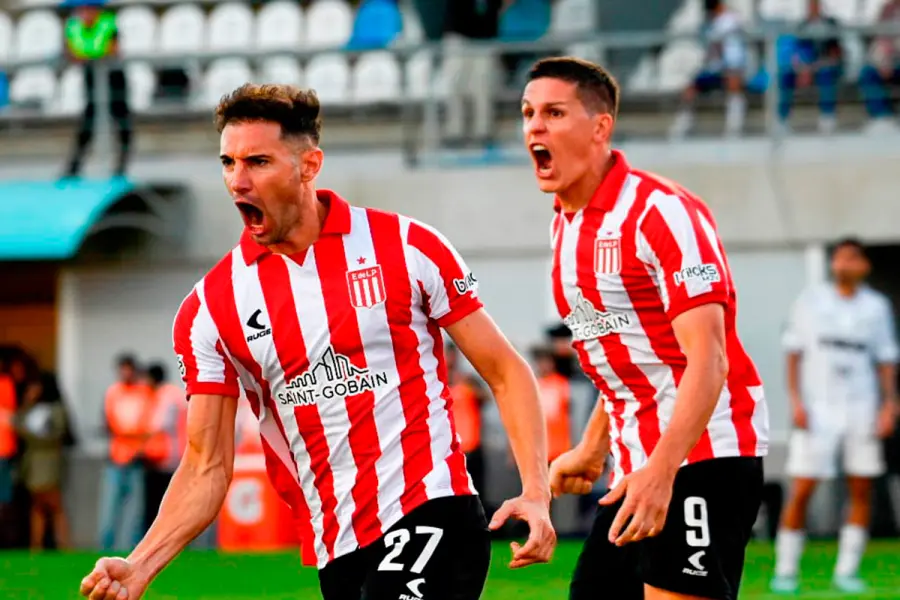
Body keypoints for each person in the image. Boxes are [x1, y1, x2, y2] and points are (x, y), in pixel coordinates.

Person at [80, 83, 555, 600]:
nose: (238, 181)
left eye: (258, 162)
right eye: (228, 163)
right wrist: (142, 564)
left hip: (434, 508)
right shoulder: (211, 308)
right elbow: (205, 464)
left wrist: (535, 491)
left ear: (309, 165)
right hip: (339, 543)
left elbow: (505, 371)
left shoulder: (404, 247)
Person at [523, 57, 770, 600]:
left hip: (703, 454)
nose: (534, 127)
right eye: (528, 113)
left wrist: (663, 473)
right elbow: (627, 357)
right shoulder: (565, 225)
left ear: (600, 127)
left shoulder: (662, 213)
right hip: (641, 461)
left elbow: (709, 360)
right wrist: (592, 449)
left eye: (554, 112)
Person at [771, 238, 899, 594]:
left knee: (861, 487)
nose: (846, 264)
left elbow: (886, 359)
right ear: (834, 263)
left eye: (854, 258)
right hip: (817, 408)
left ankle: (847, 570)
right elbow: (793, 354)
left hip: (862, 407)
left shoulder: (876, 306)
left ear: (864, 266)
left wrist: (889, 404)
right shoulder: (811, 302)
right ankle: (785, 569)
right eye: (841, 257)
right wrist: (795, 400)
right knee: (804, 487)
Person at [62, 1, 132, 178]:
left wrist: (88, 56)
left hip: (113, 76)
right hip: (92, 76)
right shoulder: (73, 26)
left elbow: (112, 50)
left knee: (122, 120)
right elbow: (71, 53)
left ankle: (120, 166)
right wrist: (90, 56)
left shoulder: (107, 23)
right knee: (89, 121)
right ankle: (74, 167)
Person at [97, 354, 154, 551]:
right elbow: (108, 423)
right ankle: (105, 550)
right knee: (109, 512)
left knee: (136, 514)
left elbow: (149, 425)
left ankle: (133, 554)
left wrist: (131, 435)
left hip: (137, 459)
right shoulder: (113, 393)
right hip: (116, 458)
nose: (126, 373)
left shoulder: (144, 392)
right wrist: (130, 434)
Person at [669, 0, 747, 139]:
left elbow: (726, 46)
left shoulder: (731, 20)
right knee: (690, 89)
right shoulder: (711, 23)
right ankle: (682, 128)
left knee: (733, 83)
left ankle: (734, 127)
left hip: (733, 66)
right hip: (716, 68)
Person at [15, 372, 71, 550]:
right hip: (33, 462)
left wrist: (30, 435)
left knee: (54, 504)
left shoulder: (56, 409)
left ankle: (64, 545)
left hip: (49, 460)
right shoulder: (30, 408)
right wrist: (26, 402)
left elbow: (56, 435)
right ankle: (36, 545)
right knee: (37, 505)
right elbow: (18, 421)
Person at [141, 363, 188, 533]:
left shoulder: (165, 395)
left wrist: (136, 435)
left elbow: (159, 425)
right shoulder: (177, 393)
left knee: (158, 506)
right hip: (179, 455)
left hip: (165, 458)